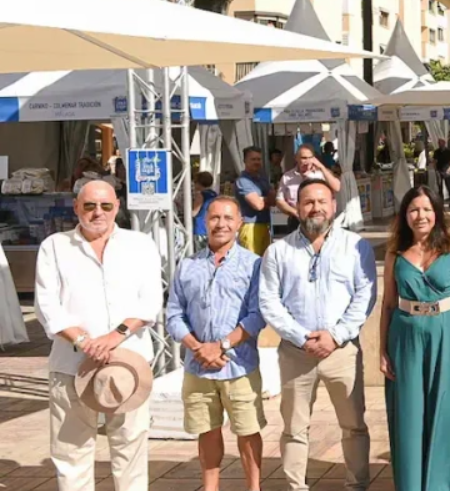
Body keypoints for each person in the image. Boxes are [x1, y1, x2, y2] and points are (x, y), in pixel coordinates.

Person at [34, 181, 162, 490]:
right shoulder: (54, 246)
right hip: (71, 363)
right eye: (89, 206)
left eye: (105, 206)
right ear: (76, 207)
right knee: (71, 452)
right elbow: (47, 306)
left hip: (129, 366)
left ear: (117, 206)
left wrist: (114, 337)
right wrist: (84, 342)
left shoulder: (140, 244)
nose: (97, 213)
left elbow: (151, 302)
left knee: (130, 447)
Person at [258, 179, 377, 491]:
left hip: (342, 352)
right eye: (309, 202)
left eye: (322, 201)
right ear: (297, 208)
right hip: (297, 354)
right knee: (295, 427)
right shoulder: (278, 251)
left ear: (334, 206)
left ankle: (357, 485)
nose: (316, 208)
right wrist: (301, 337)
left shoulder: (356, 246)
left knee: (353, 426)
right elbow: (269, 301)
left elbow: (365, 296)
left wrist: (335, 336)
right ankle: (296, 486)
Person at [165, 197, 267, 491]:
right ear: (204, 223)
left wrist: (220, 346)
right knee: (206, 430)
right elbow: (173, 313)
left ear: (239, 224)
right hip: (198, 366)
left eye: (228, 218)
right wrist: (198, 347)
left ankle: (254, 487)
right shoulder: (187, 266)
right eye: (214, 218)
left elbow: (256, 315)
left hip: (239, 364)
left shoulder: (254, 265)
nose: (221, 224)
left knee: (248, 430)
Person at [379, 185, 450, 491]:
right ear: (405, 215)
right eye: (413, 210)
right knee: (408, 413)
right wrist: (382, 350)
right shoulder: (395, 254)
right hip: (405, 335)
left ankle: (439, 485)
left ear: (436, 213)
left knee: (445, 409)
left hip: (447, 334)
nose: (420, 215)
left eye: (426, 209)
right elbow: (388, 303)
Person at [277, 144, 342, 235]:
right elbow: (279, 200)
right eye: (304, 158)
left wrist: (322, 167)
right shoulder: (287, 177)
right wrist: (295, 212)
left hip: (319, 218)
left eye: (310, 157)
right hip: (296, 221)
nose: (307, 161)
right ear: (296, 158)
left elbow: (337, 187)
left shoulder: (321, 174)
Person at [235, 146, 275, 255]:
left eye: (259, 159)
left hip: (265, 224)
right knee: (251, 262)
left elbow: (274, 200)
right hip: (250, 225)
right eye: (253, 159)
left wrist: (262, 199)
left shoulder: (263, 178)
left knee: (264, 262)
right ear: (245, 161)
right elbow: (257, 205)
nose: (257, 162)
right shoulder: (243, 180)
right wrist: (264, 200)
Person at [191, 171, 218, 252]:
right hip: (211, 227)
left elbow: (194, 212)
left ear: (199, 183)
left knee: (200, 254)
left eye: (195, 182)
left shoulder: (200, 195)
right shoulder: (214, 194)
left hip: (200, 228)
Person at [432, 138, 450, 207]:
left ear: (444, 143)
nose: (440, 144)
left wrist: (449, 169)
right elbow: (434, 161)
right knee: (440, 187)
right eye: (439, 143)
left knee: (448, 185)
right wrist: (435, 170)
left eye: (441, 143)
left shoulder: (448, 152)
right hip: (439, 170)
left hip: (446, 170)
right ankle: (441, 202)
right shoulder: (436, 152)